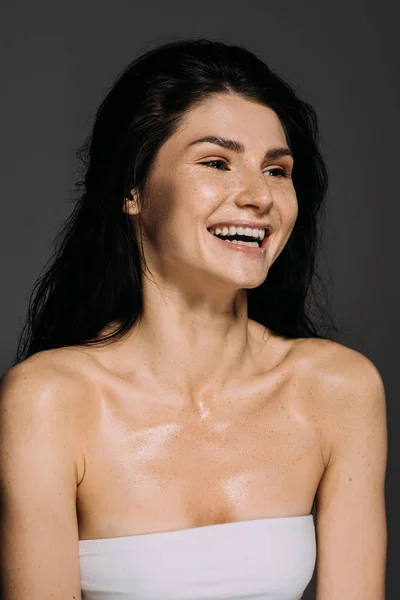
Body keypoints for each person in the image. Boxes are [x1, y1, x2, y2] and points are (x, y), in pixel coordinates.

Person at [0, 38, 387, 600]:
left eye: (277, 171)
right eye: (216, 162)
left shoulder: (338, 390)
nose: (258, 195)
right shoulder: (49, 400)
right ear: (133, 189)